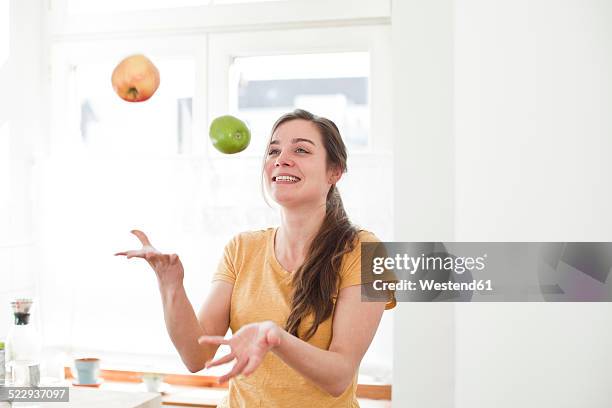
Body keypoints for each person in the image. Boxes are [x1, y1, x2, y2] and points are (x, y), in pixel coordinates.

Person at [115, 109, 395, 407]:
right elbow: (196, 357)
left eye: (300, 149)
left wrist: (274, 337)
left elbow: (339, 376)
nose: (281, 158)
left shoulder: (367, 252)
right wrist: (171, 285)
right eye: (274, 150)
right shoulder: (241, 248)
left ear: (334, 172)